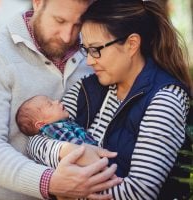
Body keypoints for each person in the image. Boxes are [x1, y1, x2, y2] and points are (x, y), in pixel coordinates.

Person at [28, 0, 193, 199]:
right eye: (86, 49)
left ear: (132, 44)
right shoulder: (86, 88)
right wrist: (65, 150)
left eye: (96, 49)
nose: (89, 60)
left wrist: (74, 188)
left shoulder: (165, 99)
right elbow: (33, 142)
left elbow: (138, 193)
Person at [0, 0, 122, 199]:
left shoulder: (94, 54)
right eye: (59, 20)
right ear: (37, 3)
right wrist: (50, 182)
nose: (67, 36)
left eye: (78, 24)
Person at [16, 95, 97, 145]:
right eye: (50, 104)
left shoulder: (65, 123)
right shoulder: (51, 129)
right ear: (41, 125)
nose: (57, 101)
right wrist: (93, 150)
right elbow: (72, 143)